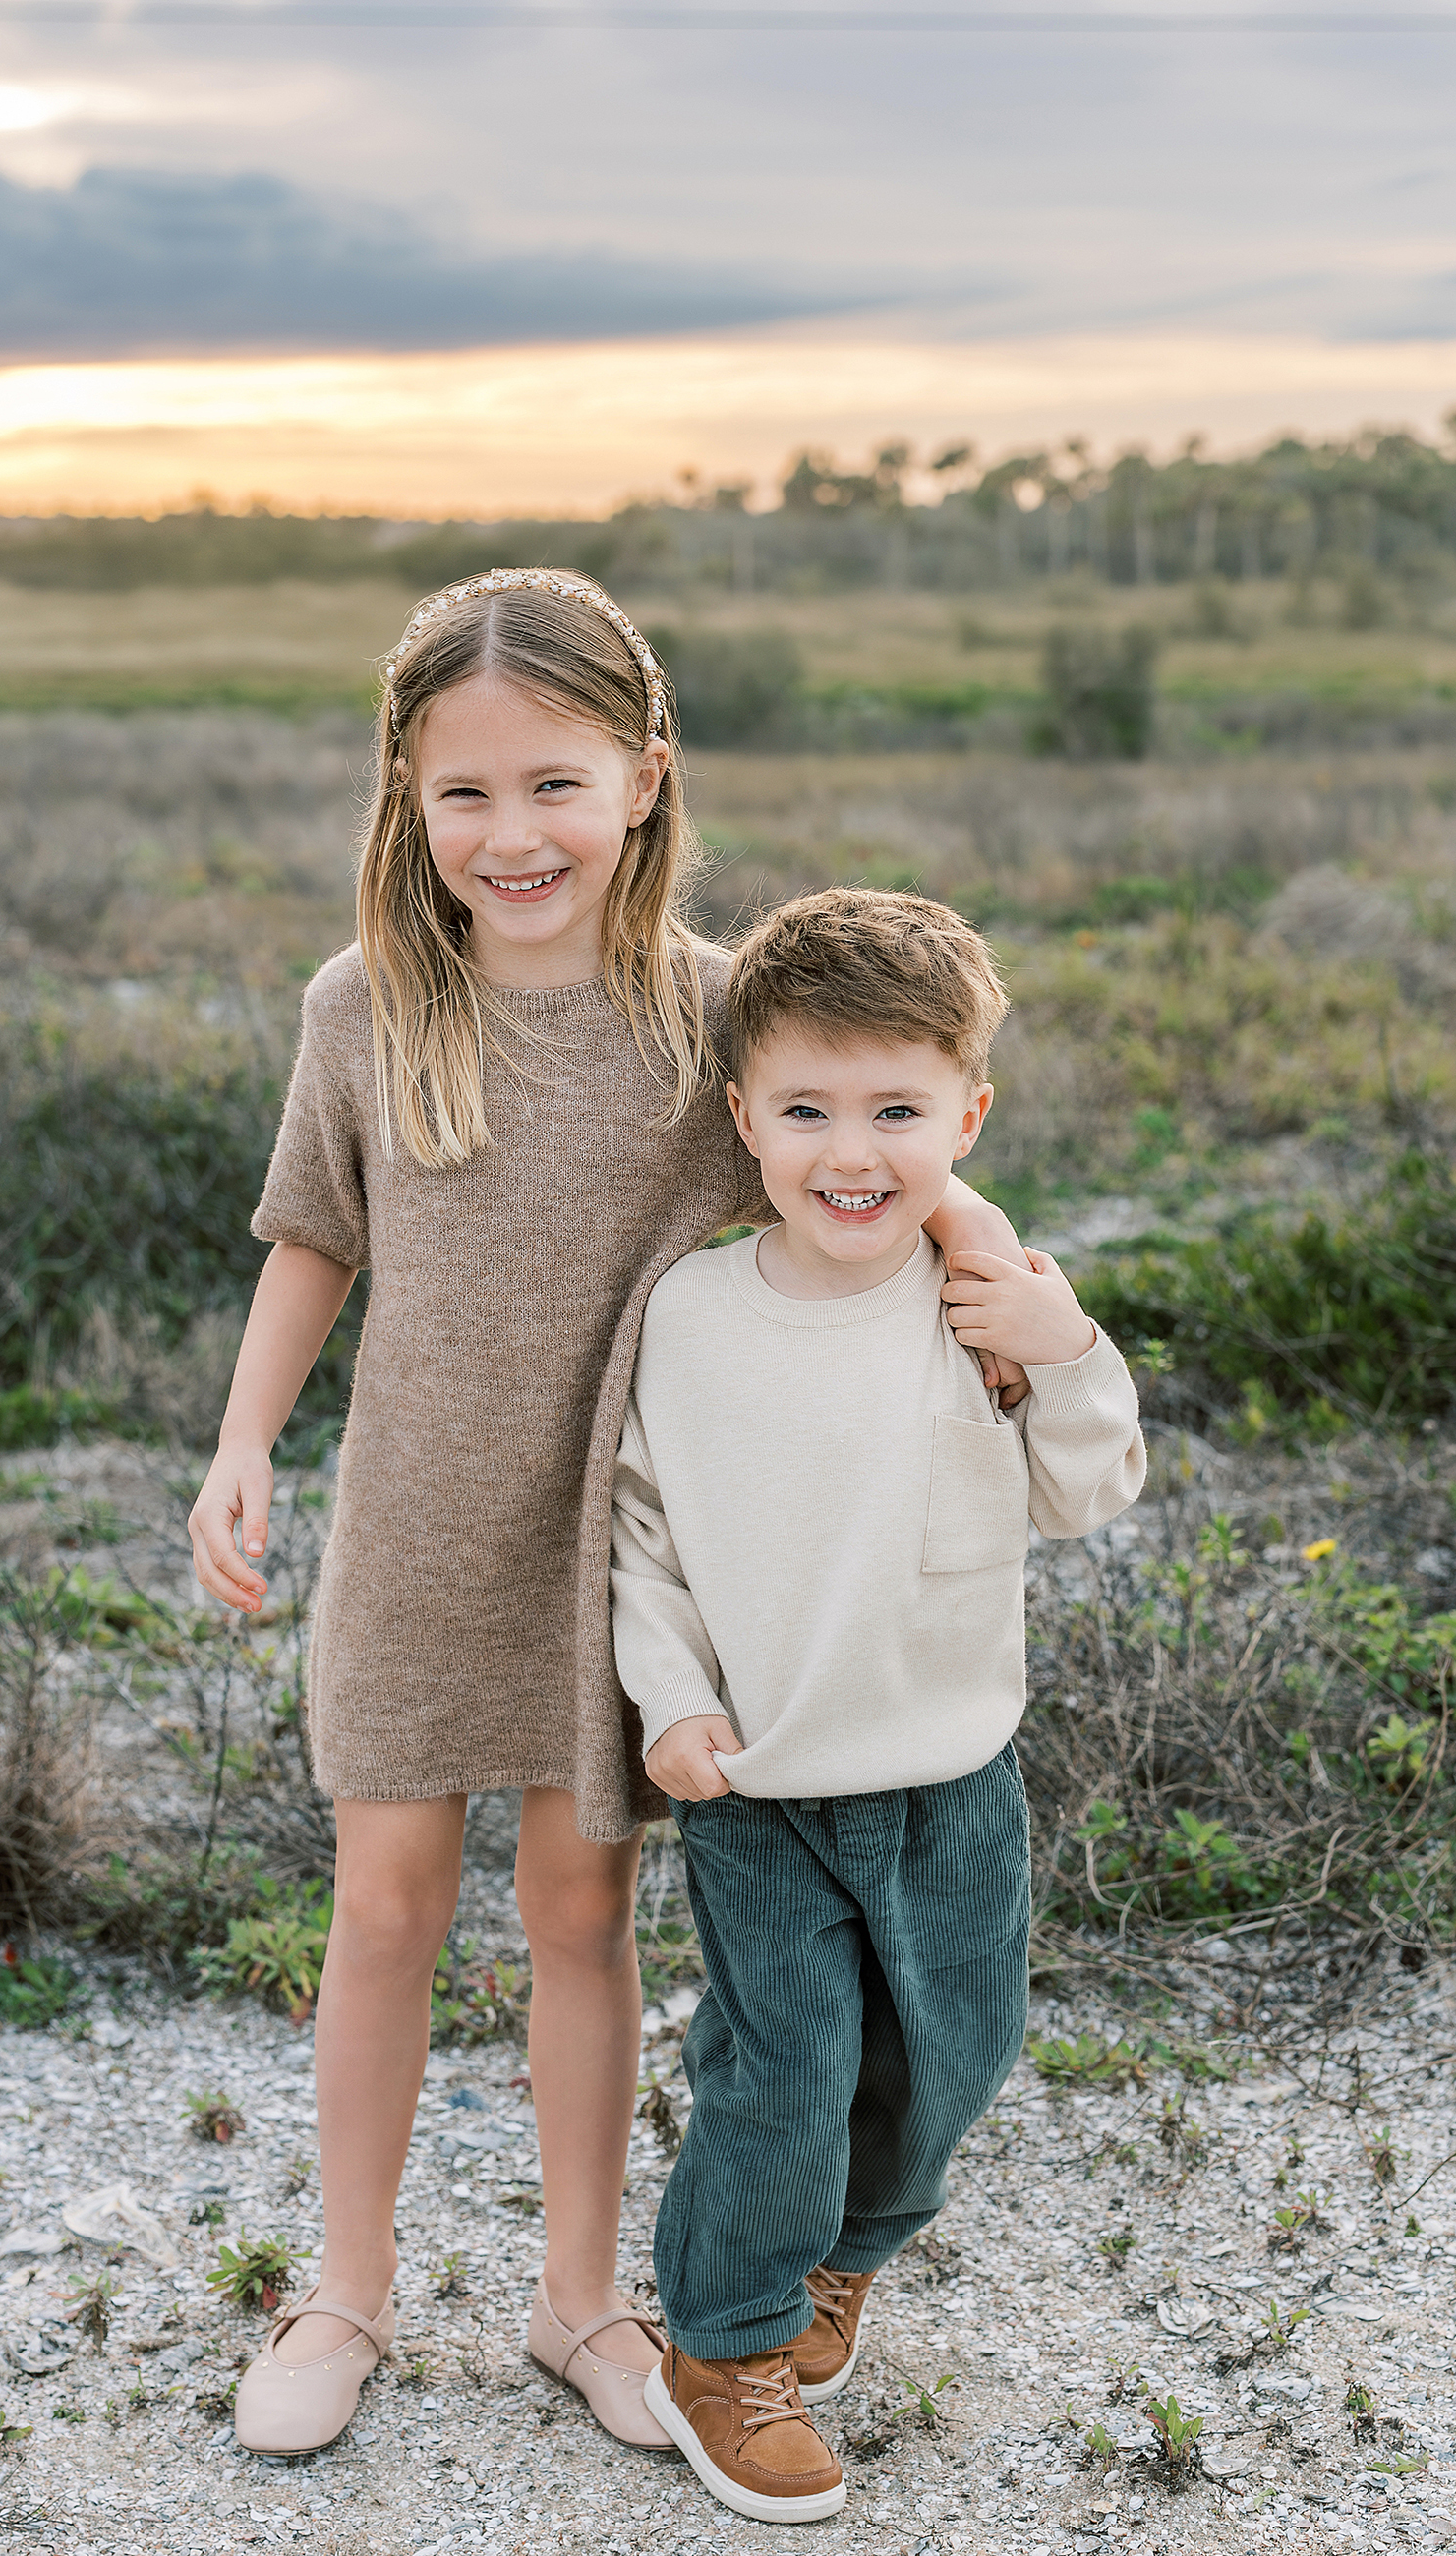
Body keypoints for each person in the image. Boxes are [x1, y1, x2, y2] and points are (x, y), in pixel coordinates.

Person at [185, 576, 1034, 2460]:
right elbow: (312, 1236)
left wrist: (1000, 1272)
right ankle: (348, 2295)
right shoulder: (364, 1009)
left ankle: (584, 2310)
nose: (512, 836)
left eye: (554, 784)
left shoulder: (718, 1013)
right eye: (462, 794)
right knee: (384, 1909)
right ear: (403, 795)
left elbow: (876, 1147)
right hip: (414, 1525)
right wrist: (243, 1441)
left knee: (579, 1914)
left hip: (629, 1551)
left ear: (645, 780)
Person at [610, 885, 1147, 2524]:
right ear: (742, 1119)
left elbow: (1088, 1495)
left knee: (956, 2056)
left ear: (965, 1115)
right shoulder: (694, 1318)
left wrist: (1060, 1344)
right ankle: (723, 2344)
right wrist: (669, 1699)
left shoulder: (985, 1306)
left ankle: (841, 2255)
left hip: (949, 1776)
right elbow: (642, 1535)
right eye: (807, 1111)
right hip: (763, 1781)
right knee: (782, 2069)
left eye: (899, 1111)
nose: (853, 1152)